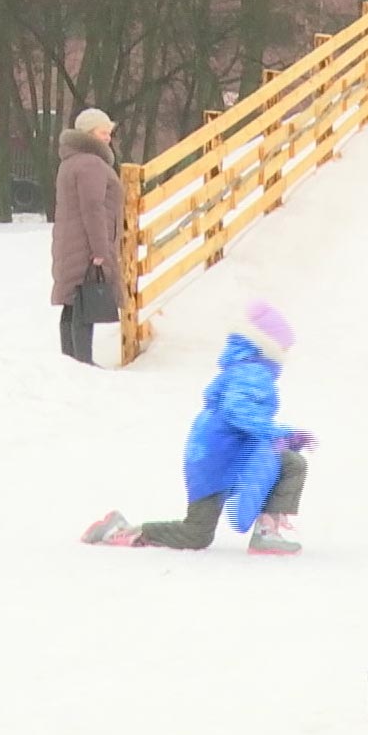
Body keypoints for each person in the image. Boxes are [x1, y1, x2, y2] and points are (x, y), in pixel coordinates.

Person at [80, 301, 312, 554]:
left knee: (199, 532)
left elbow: (242, 414)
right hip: (218, 457)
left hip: (214, 455)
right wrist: (280, 435)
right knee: (198, 532)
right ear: (269, 345)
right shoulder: (253, 373)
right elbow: (237, 411)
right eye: (285, 346)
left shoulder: (245, 370)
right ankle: (121, 532)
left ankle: (266, 531)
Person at [51, 107, 124, 365]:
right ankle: (82, 363)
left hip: (71, 241)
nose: (108, 138)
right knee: (85, 301)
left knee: (73, 302)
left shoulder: (72, 161)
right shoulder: (91, 164)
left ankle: (70, 361)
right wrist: (101, 250)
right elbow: (93, 208)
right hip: (86, 244)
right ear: (90, 134)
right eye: (103, 132)